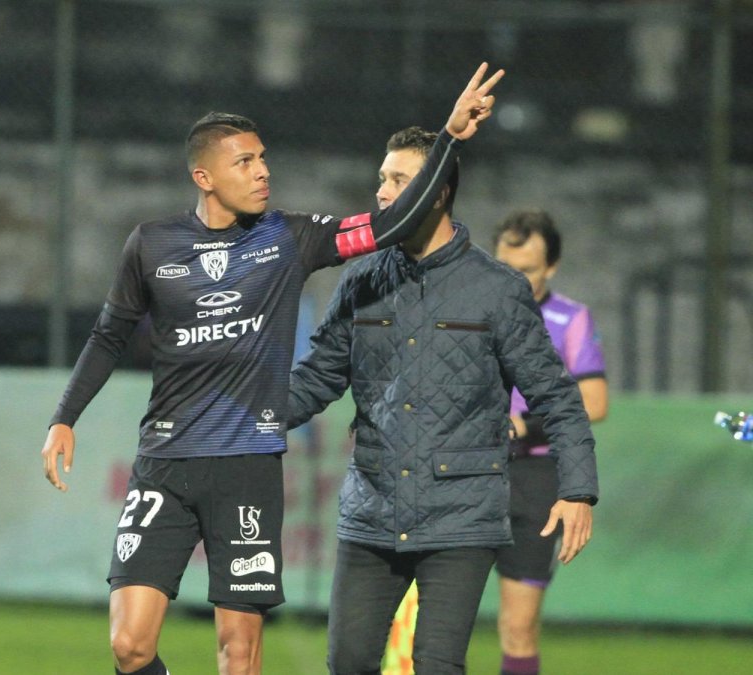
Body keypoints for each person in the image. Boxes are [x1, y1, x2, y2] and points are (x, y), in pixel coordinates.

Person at [40, 63, 505, 675]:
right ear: (203, 176)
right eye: (244, 163)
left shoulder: (291, 238)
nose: (262, 172)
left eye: (262, 159)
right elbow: (108, 335)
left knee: (239, 653)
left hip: (246, 470)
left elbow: (391, 222)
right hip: (164, 463)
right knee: (130, 645)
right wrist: (64, 418)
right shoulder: (151, 244)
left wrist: (447, 139)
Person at [287, 127, 599, 675]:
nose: (381, 193)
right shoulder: (359, 279)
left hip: (463, 516)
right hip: (371, 511)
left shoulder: (499, 288)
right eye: (381, 179)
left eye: (398, 180)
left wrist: (577, 490)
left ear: (437, 192)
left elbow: (556, 394)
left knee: (436, 664)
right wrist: (239, 416)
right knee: (349, 663)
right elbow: (315, 380)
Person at [492, 209, 608, 675]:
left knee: (518, 627)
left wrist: (525, 425)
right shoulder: (470, 309)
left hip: (534, 476)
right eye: (504, 266)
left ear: (552, 269)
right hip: (464, 472)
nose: (513, 278)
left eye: (527, 270)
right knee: (433, 622)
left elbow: (595, 401)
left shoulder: (570, 318)